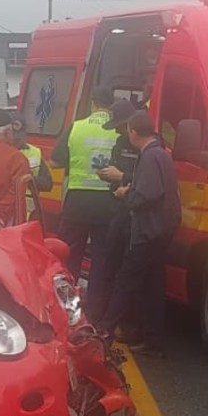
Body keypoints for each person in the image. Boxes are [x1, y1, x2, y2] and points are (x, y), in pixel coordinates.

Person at [96, 111, 181, 357]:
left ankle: (103, 332)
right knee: (153, 287)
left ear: (133, 132)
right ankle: (153, 341)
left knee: (125, 281)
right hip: (161, 230)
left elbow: (148, 194)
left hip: (146, 232)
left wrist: (126, 195)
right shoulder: (161, 153)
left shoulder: (150, 156)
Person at [50, 86, 117, 282]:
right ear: (111, 105)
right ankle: (96, 305)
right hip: (107, 201)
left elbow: (54, 162)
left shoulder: (76, 127)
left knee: (68, 253)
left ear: (93, 103)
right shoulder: (119, 129)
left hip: (77, 201)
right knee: (102, 257)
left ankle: (67, 298)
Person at [86, 98, 139, 324]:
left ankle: (122, 322)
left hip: (135, 214)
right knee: (108, 265)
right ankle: (99, 316)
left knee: (127, 273)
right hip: (116, 209)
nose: (116, 129)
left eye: (119, 125)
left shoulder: (148, 147)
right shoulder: (120, 142)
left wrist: (123, 179)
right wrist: (108, 175)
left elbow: (151, 181)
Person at [14, 116, 53, 193]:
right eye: (14, 136)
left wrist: (29, 180)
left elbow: (47, 184)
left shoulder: (34, 152)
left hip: (27, 203)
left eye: (19, 136)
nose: (16, 139)